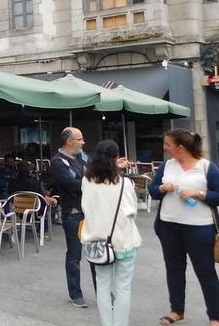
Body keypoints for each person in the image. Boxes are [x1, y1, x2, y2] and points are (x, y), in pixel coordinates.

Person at [149, 129, 219, 326]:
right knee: (174, 269)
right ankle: (176, 310)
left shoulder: (206, 167)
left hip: (200, 229)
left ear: (180, 148)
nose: (165, 148)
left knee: (205, 271)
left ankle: (215, 317)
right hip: (168, 226)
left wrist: (199, 193)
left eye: (168, 144)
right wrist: (161, 188)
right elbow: (153, 191)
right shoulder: (167, 165)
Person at [81, 140, 141, 326]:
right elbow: (132, 210)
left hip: (97, 242)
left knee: (103, 287)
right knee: (123, 288)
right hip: (123, 240)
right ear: (115, 159)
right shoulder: (125, 183)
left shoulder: (86, 180)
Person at [50, 126, 95, 308]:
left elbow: (94, 172)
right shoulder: (58, 162)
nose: (83, 143)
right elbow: (73, 185)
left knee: (96, 255)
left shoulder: (82, 156)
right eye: (80, 139)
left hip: (91, 212)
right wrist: (90, 180)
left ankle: (104, 293)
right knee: (74, 256)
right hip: (74, 215)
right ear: (69, 142)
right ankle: (75, 294)